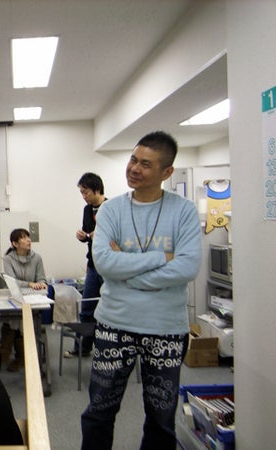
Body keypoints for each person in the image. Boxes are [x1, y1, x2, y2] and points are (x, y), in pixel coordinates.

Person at [80, 131, 201, 450]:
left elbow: (187, 267)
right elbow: (104, 262)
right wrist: (162, 258)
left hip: (166, 329)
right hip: (114, 325)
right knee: (99, 411)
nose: (134, 168)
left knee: (161, 418)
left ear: (166, 172)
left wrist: (127, 273)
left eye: (146, 164)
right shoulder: (110, 210)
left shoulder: (184, 211)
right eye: (133, 159)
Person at [64, 172, 107, 359]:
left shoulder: (111, 207)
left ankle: (108, 350)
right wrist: (82, 236)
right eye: (81, 192)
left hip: (109, 268)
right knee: (86, 308)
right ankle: (82, 348)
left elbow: (109, 236)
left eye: (86, 192)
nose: (83, 196)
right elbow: (90, 235)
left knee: (109, 311)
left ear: (97, 189)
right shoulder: (87, 210)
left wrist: (94, 235)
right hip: (93, 266)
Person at [0, 228, 47, 371]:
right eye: (24, 238)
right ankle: (7, 354)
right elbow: (11, 281)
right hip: (13, 297)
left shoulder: (37, 258)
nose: (28, 240)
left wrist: (40, 284)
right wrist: (29, 284)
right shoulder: (8, 259)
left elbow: (42, 278)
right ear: (15, 244)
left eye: (28, 237)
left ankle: (19, 357)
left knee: (21, 320)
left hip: (31, 298)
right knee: (13, 318)